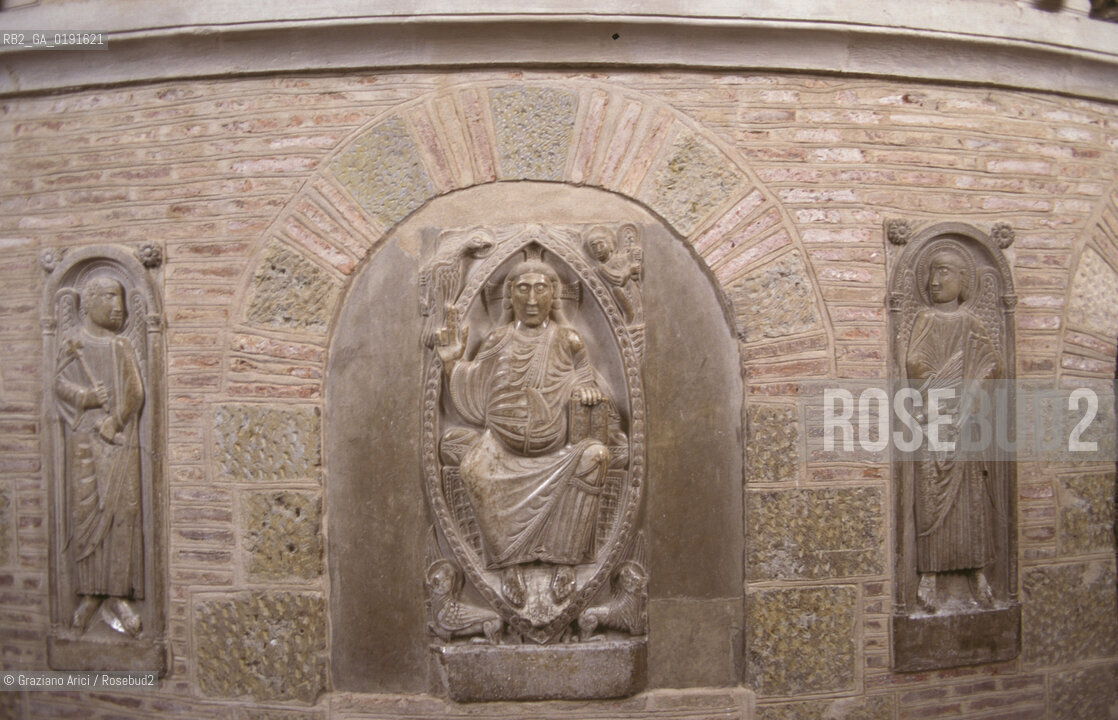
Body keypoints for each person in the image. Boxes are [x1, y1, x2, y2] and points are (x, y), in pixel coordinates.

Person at [435, 257, 611, 609]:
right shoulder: (498, 339)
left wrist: (588, 391)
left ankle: (565, 562)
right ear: (509, 296)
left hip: (557, 453)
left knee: (597, 456)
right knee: (468, 463)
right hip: (501, 446)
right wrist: (453, 362)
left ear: (554, 295)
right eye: (523, 289)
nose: (532, 299)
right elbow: (474, 396)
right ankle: (509, 565)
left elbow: (587, 381)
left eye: (541, 288)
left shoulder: (568, 339)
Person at [905, 245, 1001, 612]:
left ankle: (977, 573)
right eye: (932, 273)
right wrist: (938, 387)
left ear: (963, 282)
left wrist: (970, 392)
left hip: (965, 422)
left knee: (972, 500)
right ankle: (928, 575)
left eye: (945, 272)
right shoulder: (926, 319)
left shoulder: (971, 323)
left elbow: (992, 364)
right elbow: (914, 360)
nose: (935, 281)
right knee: (930, 499)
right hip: (934, 420)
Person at [54, 277, 144, 636]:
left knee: (123, 515)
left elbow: (135, 392)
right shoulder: (73, 344)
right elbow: (58, 384)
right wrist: (87, 398)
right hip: (83, 444)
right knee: (85, 515)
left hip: (118, 444)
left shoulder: (121, 346)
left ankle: (119, 595)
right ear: (88, 301)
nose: (116, 304)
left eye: (120, 297)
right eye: (108, 296)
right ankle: (90, 594)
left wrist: (115, 419)